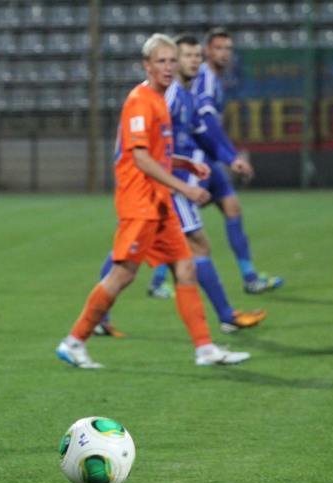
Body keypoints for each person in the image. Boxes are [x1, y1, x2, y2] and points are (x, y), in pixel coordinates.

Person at [55, 34, 250, 369]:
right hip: (140, 203)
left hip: (159, 203)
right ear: (147, 65)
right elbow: (141, 159)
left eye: (172, 61)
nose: (168, 67)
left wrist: (184, 163)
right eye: (161, 61)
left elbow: (157, 155)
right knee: (123, 275)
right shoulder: (140, 101)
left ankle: (205, 349)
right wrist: (185, 188)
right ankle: (74, 341)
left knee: (185, 267)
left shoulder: (160, 100)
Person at [93, 34, 266, 337]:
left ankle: (97, 320)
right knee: (183, 249)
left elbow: (200, 134)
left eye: (196, 56)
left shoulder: (186, 96)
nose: (193, 61)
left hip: (166, 183)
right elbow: (145, 146)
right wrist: (177, 180)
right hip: (157, 187)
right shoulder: (165, 95)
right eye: (185, 56)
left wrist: (227, 158)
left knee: (130, 255)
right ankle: (224, 318)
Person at [192, 27, 283, 294]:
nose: (224, 53)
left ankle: (249, 277)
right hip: (196, 160)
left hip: (208, 157)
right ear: (207, 50)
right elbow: (207, 122)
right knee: (173, 223)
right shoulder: (207, 78)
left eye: (228, 49)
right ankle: (157, 280)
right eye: (218, 48)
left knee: (231, 208)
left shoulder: (214, 79)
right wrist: (231, 157)